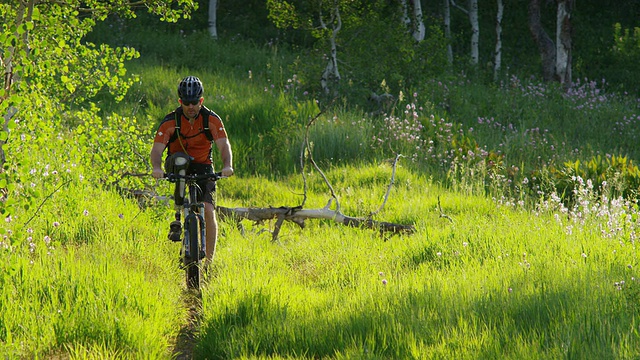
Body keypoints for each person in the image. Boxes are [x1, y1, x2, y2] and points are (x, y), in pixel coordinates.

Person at [150, 76, 234, 263]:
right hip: (177, 163)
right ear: (180, 102)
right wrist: (156, 168)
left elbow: (223, 145)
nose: (191, 107)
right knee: (180, 160)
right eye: (186, 103)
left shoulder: (211, 119)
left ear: (201, 101)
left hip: (203, 165)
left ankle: (210, 261)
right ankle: (179, 213)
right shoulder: (171, 121)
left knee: (209, 209)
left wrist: (227, 165)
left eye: (194, 102)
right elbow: (156, 150)